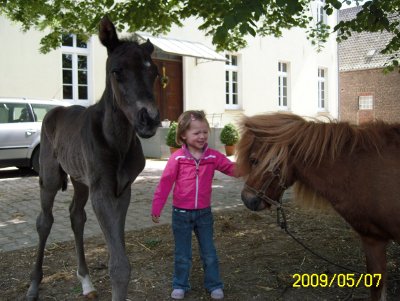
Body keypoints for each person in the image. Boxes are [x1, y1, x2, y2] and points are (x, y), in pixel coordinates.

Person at [151, 110, 237, 300]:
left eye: (205, 132)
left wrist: (251, 165)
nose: (202, 136)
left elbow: (233, 169)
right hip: (181, 214)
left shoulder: (213, 157)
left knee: (209, 253)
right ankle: (180, 284)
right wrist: (157, 206)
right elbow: (165, 183)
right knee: (183, 254)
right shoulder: (178, 158)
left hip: (204, 214)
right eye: (196, 132)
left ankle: (214, 285)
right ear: (183, 135)